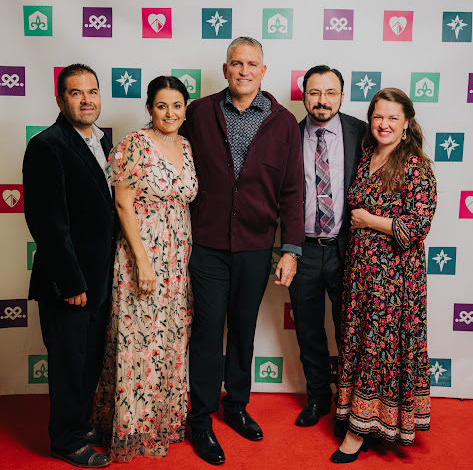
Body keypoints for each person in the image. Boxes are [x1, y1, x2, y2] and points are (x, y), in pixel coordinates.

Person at [182, 36, 304, 465]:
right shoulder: (199, 112)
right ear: (225, 68)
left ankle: (235, 404)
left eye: (252, 64)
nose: (244, 71)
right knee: (207, 330)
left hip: (256, 246)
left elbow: (292, 191)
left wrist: (290, 249)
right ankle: (200, 418)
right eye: (237, 63)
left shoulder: (284, 123)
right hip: (207, 245)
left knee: (243, 330)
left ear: (263, 71)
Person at [93, 76, 198, 462]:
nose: (170, 113)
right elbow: (122, 203)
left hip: (177, 261)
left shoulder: (185, 145)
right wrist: (141, 262)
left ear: (185, 109)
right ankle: (131, 426)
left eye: (177, 105)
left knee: (168, 339)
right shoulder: (135, 144)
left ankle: (160, 421)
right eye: (161, 105)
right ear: (149, 108)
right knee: (139, 341)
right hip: (143, 257)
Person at [331, 88, 437, 463]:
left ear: (407, 123)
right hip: (361, 274)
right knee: (361, 344)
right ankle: (363, 417)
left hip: (394, 278)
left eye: (393, 118)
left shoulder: (415, 166)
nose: (384, 124)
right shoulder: (366, 156)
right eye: (378, 116)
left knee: (381, 348)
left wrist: (368, 220)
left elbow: (416, 227)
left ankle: (358, 432)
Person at [23, 64, 116, 468]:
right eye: (76, 93)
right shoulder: (47, 145)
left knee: (89, 361)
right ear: (60, 100)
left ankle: (79, 425)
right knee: (68, 364)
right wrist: (71, 281)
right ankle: (65, 440)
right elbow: (48, 223)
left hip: (100, 278)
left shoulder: (103, 141)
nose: (86, 100)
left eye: (92, 91)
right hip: (69, 282)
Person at [288, 65, 365, 427]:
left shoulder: (361, 133)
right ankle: (318, 398)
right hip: (302, 249)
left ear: (342, 96)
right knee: (308, 330)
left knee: (349, 329)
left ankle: (350, 405)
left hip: (346, 248)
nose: (322, 100)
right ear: (304, 95)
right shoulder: (288, 135)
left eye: (330, 92)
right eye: (315, 92)